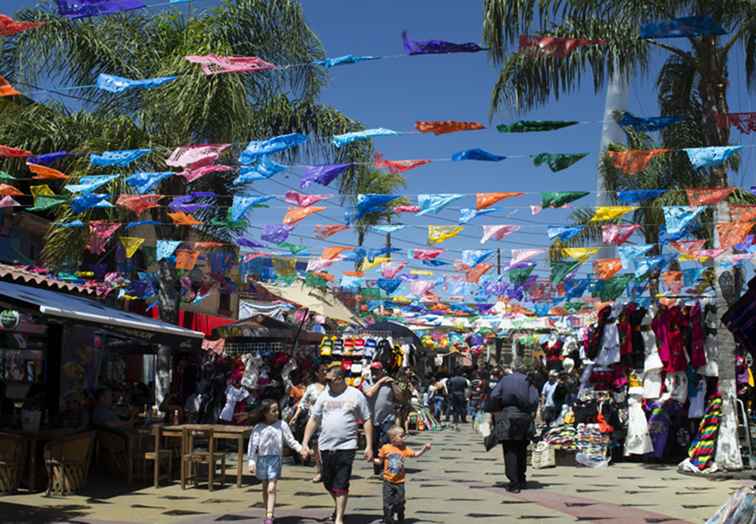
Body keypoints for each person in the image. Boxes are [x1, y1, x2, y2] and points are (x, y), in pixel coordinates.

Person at [302, 365, 373, 524]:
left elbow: (367, 419)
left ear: (340, 379)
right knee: (328, 482)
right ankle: (339, 506)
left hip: (347, 446)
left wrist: (369, 446)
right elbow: (314, 419)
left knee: (341, 481)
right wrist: (305, 442)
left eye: (329, 379)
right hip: (325, 446)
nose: (325, 382)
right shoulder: (324, 395)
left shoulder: (355, 395)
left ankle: (339, 518)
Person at [247, 399, 307, 524]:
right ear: (265, 413)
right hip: (262, 459)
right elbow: (252, 445)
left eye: (277, 410)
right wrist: (251, 461)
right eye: (273, 410)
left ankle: (269, 516)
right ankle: (268, 511)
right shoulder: (258, 427)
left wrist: (300, 449)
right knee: (264, 487)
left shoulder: (282, 425)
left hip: (275, 459)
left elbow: (291, 440)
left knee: (271, 487)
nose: (276, 413)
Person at [485, 366, 539, 493]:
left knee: (510, 449)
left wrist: (496, 410)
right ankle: (521, 478)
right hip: (524, 417)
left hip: (508, 416)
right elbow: (534, 399)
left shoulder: (505, 380)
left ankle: (514, 482)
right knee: (522, 448)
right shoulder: (528, 380)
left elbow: (494, 395)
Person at [374, 426, 432, 524]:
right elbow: (379, 461)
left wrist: (424, 449)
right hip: (388, 481)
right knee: (387, 502)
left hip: (400, 482)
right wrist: (371, 459)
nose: (404, 438)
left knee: (400, 502)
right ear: (393, 438)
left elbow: (415, 454)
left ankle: (400, 516)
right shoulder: (385, 448)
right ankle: (388, 519)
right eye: (402, 436)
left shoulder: (404, 448)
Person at [289, 365, 327, 482]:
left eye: (327, 370)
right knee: (316, 446)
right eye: (322, 370)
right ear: (316, 373)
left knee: (327, 447)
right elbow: (303, 402)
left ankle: (328, 470)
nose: (325, 372)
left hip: (329, 421)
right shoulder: (311, 388)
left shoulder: (332, 387)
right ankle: (320, 470)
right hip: (315, 421)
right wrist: (295, 416)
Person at [362, 362, 396, 473]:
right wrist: (381, 382)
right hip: (372, 419)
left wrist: (395, 384)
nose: (374, 372)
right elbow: (369, 394)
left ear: (382, 371)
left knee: (386, 441)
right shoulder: (366, 382)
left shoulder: (389, 383)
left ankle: (386, 468)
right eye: (372, 370)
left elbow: (400, 397)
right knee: (375, 444)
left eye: (377, 370)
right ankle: (378, 466)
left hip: (388, 418)